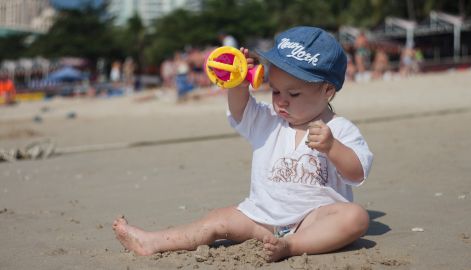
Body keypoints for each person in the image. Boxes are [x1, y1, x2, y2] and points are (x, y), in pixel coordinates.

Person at [112, 26, 373, 262]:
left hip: (313, 221)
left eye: (293, 94)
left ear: (327, 90)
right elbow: (241, 109)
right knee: (215, 221)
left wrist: (333, 148)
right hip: (260, 218)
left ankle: (291, 245)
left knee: (355, 217)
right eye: (275, 91)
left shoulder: (339, 129)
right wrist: (237, 80)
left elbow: (357, 172)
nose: (281, 102)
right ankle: (153, 242)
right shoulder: (268, 122)